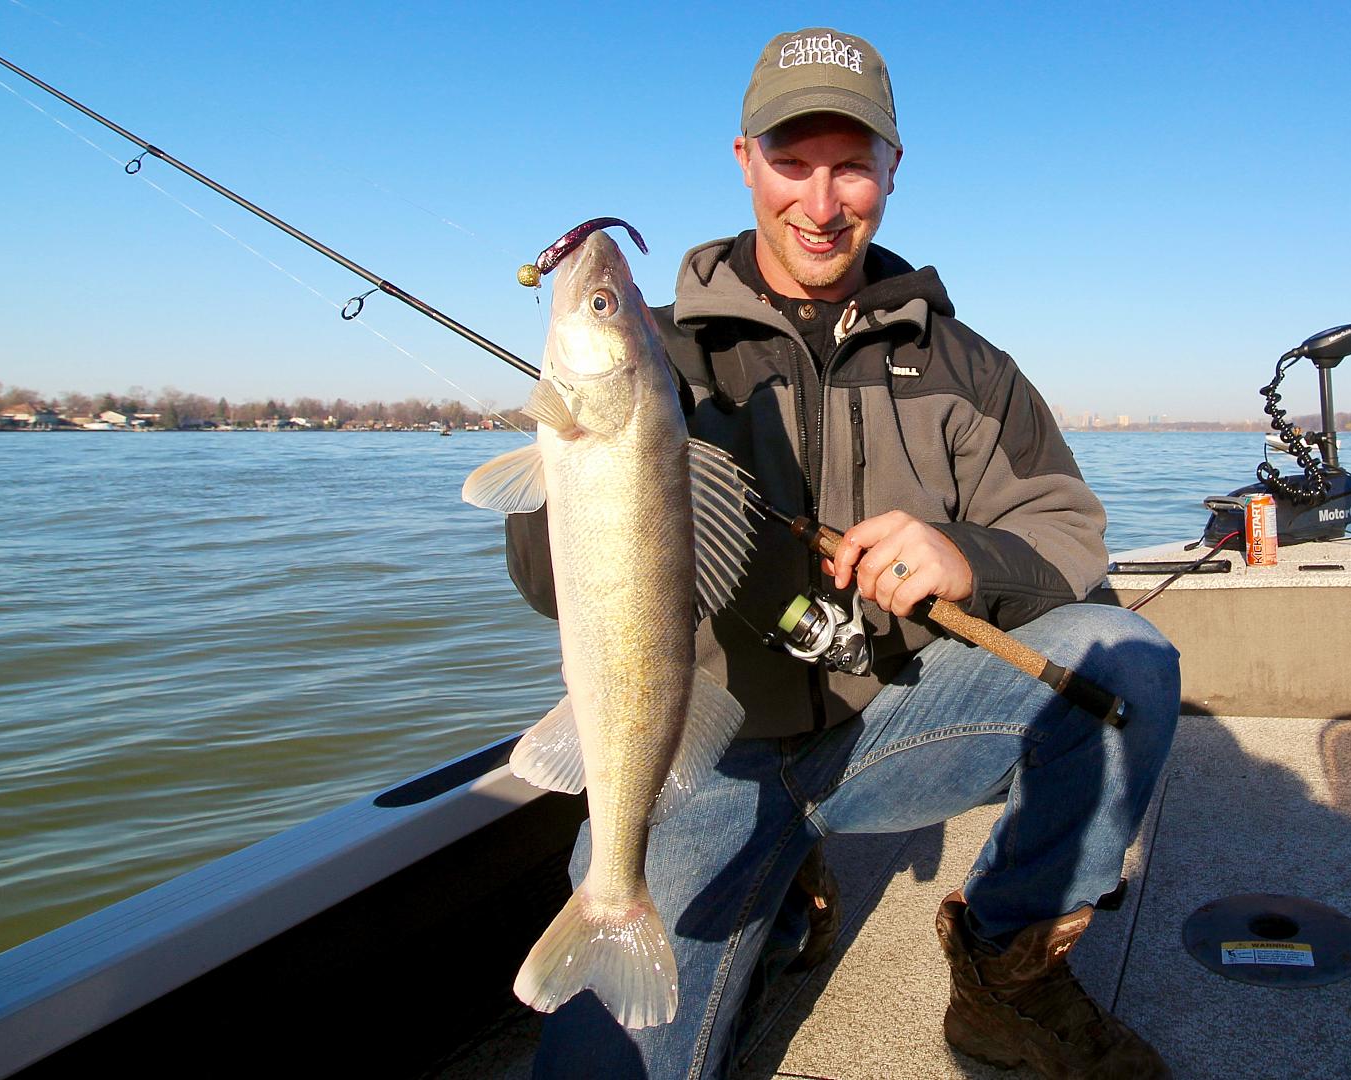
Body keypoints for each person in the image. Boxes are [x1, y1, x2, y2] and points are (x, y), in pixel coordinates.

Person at [506, 26, 1180, 1080]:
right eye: (791, 162)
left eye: (851, 165)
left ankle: (1009, 971)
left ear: (893, 169)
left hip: (890, 720)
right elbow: (557, 590)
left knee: (1124, 660)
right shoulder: (663, 357)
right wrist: (569, 469)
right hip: (703, 757)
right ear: (743, 162)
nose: (821, 203)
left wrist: (967, 557)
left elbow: (1068, 526)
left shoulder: (968, 365)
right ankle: (772, 898)